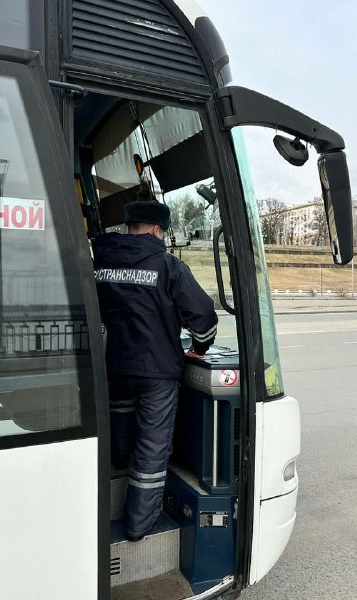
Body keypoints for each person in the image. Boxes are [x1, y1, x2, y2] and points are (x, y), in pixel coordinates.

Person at [93, 191, 218, 542]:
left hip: (112, 365)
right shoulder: (168, 266)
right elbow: (203, 316)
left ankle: (116, 470)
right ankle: (138, 525)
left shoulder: (100, 261)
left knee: (119, 425)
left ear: (131, 226)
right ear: (157, 231)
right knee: (152, 446)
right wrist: (199, 347)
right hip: (156, 372)